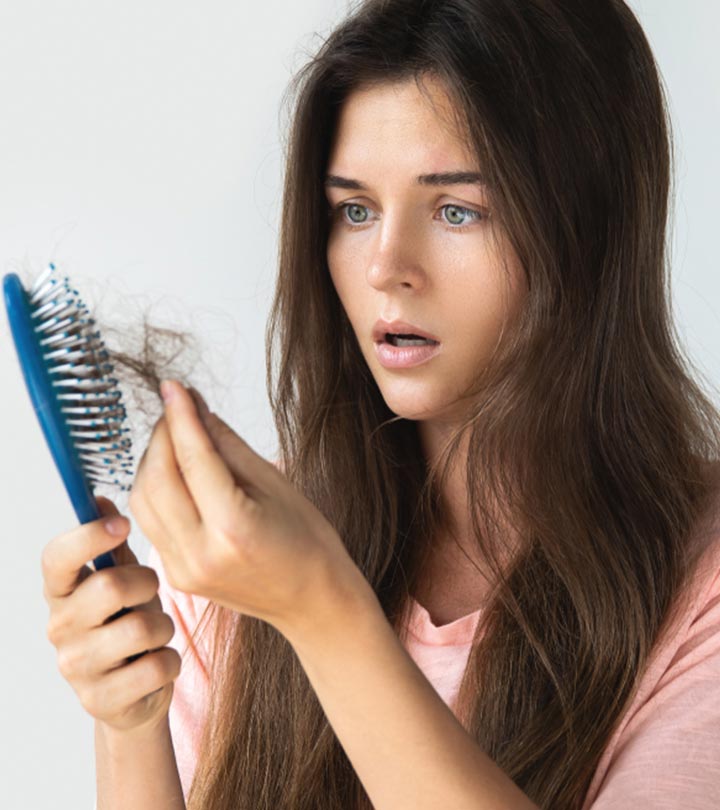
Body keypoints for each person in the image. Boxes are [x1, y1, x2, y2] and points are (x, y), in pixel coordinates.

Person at [41, 1, 720, 808]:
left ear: (590, 230)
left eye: (457, 210)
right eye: (354, 211)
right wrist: (128, 721)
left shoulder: (700, 579)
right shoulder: (243, 556)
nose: (385, 267)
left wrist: (323, 610)